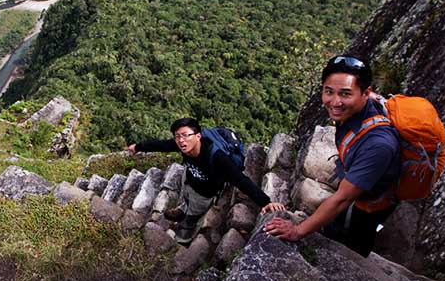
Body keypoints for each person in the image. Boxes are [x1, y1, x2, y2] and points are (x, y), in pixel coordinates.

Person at [265, 55, 400, 256]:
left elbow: (343, 198)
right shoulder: (356, 111)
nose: (335, 102)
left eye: (345, 94)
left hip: (373, 200)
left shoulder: (378, 144)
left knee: (356, 242)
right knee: (335, 225)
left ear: (366, 93)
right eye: (329, 92)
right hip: (358, 179)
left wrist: (297, 231)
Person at [127, 118, 285, 244]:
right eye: (177, 136)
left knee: (194, 212)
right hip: (191, 179)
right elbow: (160, 145)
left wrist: (265, 201)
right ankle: (184, 208)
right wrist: (138, 147)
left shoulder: (217, 158)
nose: (181, 140)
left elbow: (240, 179)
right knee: (187, 196)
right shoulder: (182, 145)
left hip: (205, 192)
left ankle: (186, 231)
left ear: (198, 136)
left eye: (185, 135)